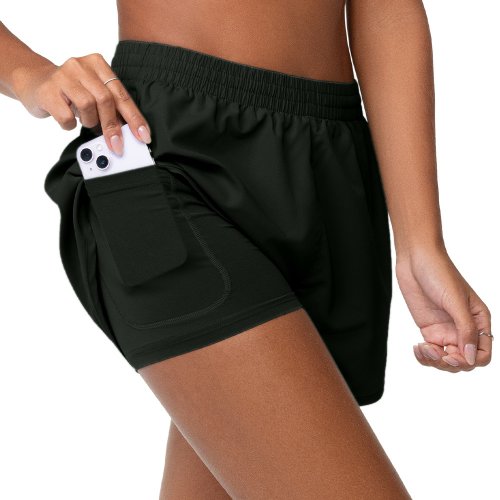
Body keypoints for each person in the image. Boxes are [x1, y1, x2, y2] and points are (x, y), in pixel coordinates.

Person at [0, 0, 493, 497]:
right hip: (165, 154)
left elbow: (386, 9)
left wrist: (420, 245)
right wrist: (29, 75)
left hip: (329, 166)